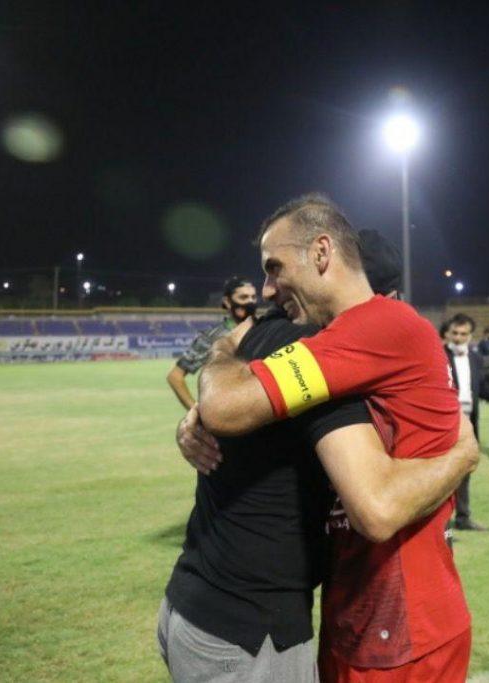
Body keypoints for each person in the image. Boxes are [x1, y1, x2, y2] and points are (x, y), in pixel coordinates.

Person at [194, 195, 473, 681]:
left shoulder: (375, 326)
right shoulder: (346, 336)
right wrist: (195, 417)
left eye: (275, 268)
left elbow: (226, 405)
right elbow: (228, 402)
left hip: (403, 622)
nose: (266, 290)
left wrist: (464, 456)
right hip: (363, 608)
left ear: (322, 252)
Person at [166, 277, 258, 410]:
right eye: (243, 297)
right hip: (230, 414)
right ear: (227, 302)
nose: (250, 302)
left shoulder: (265, 328)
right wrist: (196, 412)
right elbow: (175, 376)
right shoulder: (212, 337)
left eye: (253, 297)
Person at [442, 313, 489, 531]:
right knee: (442, 474)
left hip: (469, 423)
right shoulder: (438, 356)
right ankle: (441, 523)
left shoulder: (476, 359)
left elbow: (482, 388)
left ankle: (463, 518)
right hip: (445, 424)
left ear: (470, 336)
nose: (459, 337)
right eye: (455, 333)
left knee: (465, 470)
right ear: (448, 333)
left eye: (463, 334)